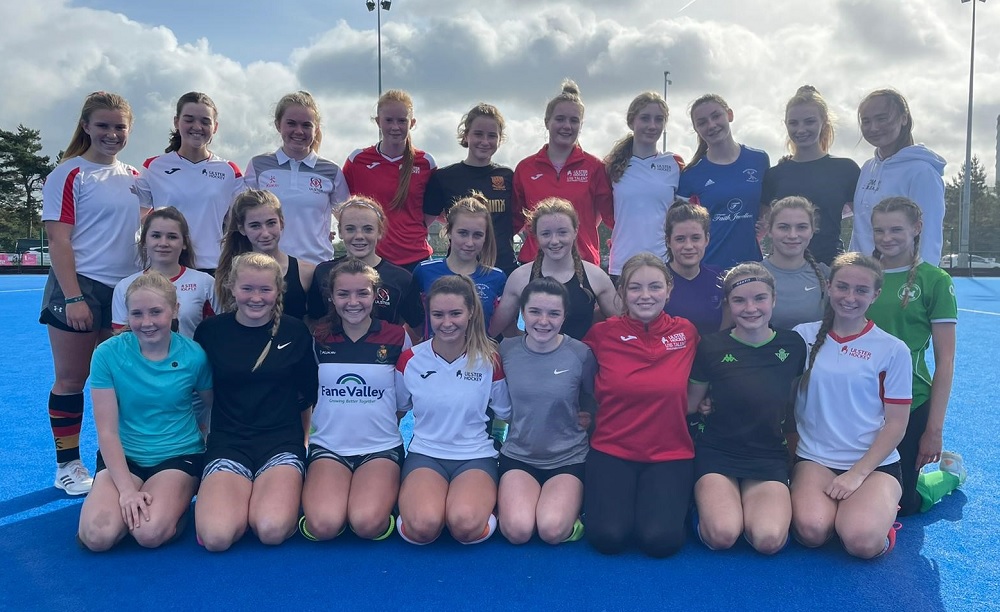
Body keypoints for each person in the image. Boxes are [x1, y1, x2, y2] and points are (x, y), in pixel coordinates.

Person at [39, 91, 142, 495]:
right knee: (72, 379)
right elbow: (58, 240)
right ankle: (67, 464)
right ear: (85, 126)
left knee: (120, 381)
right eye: (103, 125)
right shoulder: (69, 174)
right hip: (79, 286)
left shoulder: (136, 178)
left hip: (124, 291)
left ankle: (112, 461)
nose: (111, 134)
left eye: (119, 127)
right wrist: (74, 296)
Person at [77, 273, 212, 551]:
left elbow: (213, 405)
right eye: (137, 314)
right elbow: (107, 431)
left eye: (156, 312)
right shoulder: (107, 354)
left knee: (148, 533)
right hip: (124, 457)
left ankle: (177, 507)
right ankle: (133, 502)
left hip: (178, 455)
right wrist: (127, 491)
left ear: (175, 310)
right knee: (97, 537)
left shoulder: (194, 355)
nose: (146, 322)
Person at [193, 253, 318, 552]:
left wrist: (302, 443)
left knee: (271, 530)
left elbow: (306, 394)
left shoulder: (295, 331)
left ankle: (268, 497)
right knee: (216, 538)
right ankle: (235, 500)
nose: (256, 297)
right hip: (229, 443)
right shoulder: (210, 332)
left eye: (265, 289)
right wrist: (205, 433)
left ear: (278, 290)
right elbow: (201, 389)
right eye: (247, 288)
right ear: (232, 288)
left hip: (280, 443)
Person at [791, 253, 911, 559]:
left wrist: (856, 475)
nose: (850, 297)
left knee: (861, 542)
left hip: (873, 466)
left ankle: (879, 520)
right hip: (815, 459)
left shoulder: (893, 350)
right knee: (812, 531)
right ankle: (843, 516)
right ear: (829, 287)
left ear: (875, 295)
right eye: (842, 287)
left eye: (861, 290)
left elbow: (896, 424)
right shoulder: (801, 336)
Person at [582, 253, 699, 557]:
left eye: (655, 286)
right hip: (611, 449)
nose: (645, 295)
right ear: (622, 292)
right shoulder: (601, 334)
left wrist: (708, 400)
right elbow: (576, 380)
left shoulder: (687, 333)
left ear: (669, 290)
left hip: (670, 452)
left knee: (661, 541)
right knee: (607, 538)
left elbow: (708, 375)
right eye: (635, 287)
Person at [686, 263, 806, 554]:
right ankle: (697, 509)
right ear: (728, 304)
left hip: (767, 455)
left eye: (759, 298)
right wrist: (704, 404)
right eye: (739, 300)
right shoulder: (710, 346)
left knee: (769, 540)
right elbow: (690, 404)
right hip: (717, 452)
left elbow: (790, 403)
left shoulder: (793, 345)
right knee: (723, 535)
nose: (750, 308)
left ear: (773, 299)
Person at [299, 259, 411, 542]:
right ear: (331, 297)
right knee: (323, 526)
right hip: (329, 447)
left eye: (362, 293)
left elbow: (401, 401)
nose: (353, 302)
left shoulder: (397, 337)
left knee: (366, 524)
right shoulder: (319, 337)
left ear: (375, 295)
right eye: (343, 294)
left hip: (381, 448)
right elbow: (312, 392)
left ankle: (376, 500)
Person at [395, 275, 511, 545]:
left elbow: (507, 413)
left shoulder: (489, 360)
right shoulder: (410, 360)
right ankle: (418, 508)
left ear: (471, 313)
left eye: (455, 313)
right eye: (438, 315)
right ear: (429, 314)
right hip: (426, 455)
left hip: (475, 457)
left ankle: (480, 508)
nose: (447, 323)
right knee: (422, 528)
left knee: (465, 526)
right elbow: (398, 410)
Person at [867, 197, 963, 515]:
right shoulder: (860, 275)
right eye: (879, 230)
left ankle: (949, 476)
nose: (886, 238)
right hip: (858, 402)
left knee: (903, 504)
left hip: (909, 402)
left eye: (896, 229)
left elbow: (945, 361)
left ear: (917, 228)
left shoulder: (934, 280)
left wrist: (934, 430)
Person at [498, 277, 595, 545]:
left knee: (551, 530)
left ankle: (572, 517)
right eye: (535, 311)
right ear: (522, 313)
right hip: (519, 455)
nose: (543, 321)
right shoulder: (506, 351)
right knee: (518, 531)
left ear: (564, 316)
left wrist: (588, 414)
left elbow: (593, 397)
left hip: (568, 457)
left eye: (553, 313)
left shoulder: (580, 354)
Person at [136, 92, 246, 273]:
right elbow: (135, 216)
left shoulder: (229, 170)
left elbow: (240, 221)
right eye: (189, 120)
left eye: (205, 121)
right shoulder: (154, 166)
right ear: (176, 122)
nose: (197, 126)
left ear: (215, 127)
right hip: (164, 267)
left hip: (212, 267)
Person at [513, 79, 614, 267]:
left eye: (574, 120)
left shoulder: (595, 167)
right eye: (560, 119)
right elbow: (513, 222)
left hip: (582, 264)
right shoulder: (525, 169)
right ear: (547, 122)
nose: (567, 126)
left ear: (581, 125)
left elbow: (614, 219)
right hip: (535, 264)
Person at [244, 91, 350, 265]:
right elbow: (242, 217)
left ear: (316, 129)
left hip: (317, 265)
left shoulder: (331, 171)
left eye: (306, 125)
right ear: (278, 125)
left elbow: (347, 220)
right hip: (267, 267)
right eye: (291, 123)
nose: (299, 131)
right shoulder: (258, 166)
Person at [490, 198, 618, 341]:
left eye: (562, 232)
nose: (554, 241)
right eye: (546, 234)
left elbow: (624, 325)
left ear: (575, 232)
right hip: (536, 355)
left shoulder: (596, 277)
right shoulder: (520, 277)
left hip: (583, 354)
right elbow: (493, 331)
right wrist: (521, 344)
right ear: (536, 236)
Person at [761, 86, 860, 266]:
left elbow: (865, 222)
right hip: (784, 270)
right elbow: (761, 227)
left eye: (809, 122)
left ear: (824, 122)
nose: (801, 129)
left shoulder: (846, 169)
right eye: (794, 123)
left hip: (831, 268)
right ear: (785, 124)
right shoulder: (775, 174)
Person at [343, 89, 436, 271]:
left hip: (416, 259)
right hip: (371, 259)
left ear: (412, 123)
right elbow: (342, 204)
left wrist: (411, 229)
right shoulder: (358, 160)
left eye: (402, 121)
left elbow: (432, 209)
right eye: (388, 120)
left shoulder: (426, 162)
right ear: (378, 121)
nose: (395, 127)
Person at [850, 89, 945, 264]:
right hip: (863, 275)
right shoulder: (868, 168)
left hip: (900, 276)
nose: (874, 128)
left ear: (904, 118)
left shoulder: (922, 172)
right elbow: (860, 230)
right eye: (866, 121)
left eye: (882, 119)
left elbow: (929, 237)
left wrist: (920, 277)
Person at [677, 94, 769, 271]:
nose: (711, 125)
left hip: (753, 266)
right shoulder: (690, 174)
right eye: (702, 122)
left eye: (716, 116)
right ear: (696, 129)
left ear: (730, 115)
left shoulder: (759, 159)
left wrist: (766, 221)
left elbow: (767, 203)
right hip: (709, 267)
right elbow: (679, 226)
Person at [423, 103, 517, 276]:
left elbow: (517, 222)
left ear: (500, 139)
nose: (485, 141)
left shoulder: (508, 176)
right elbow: (424, 224)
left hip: (503, 269)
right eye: (478, 134)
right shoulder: (444, 177)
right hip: (459, 272)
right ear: (466, 135)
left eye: (492, 135)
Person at [306, 196, 421, 330]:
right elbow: (313, 320)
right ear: (340, 231)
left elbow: (418, 327)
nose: (359, 236)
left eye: (368, 229)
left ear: (380, 231)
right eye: (350, 229)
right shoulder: (323, 272)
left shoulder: (401, 278)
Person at [604, 92, 685, 279]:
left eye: (659, 119)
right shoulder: (610, 166)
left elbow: (683, 216)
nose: (652, 126)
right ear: (631, 121)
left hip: (664, 263)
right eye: (645, 118)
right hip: (622, 263)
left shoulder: (675, 163)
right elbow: (607, 213)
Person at [407, 194, 506, 338]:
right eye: (463, 233)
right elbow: (414, 324)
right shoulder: (424, 271)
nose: (469, 242)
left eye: (477, 235)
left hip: (479, 352)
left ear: (486, 237)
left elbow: (503, 329)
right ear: (449, 231)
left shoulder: (496, 277)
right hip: (435, 351)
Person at [112, 207, 218, 338]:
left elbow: (219, 332)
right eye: (156, 236)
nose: (163, 243)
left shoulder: (205, 283)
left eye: (172, 237)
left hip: (192, 351)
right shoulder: (124, 286)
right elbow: (121, 339)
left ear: (184, 243)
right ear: (144, 241)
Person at [215, 189, 314, 320]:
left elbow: (314, 322)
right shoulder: (227, 272)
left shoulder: (306, 272)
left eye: (271, 223)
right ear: (242, 229)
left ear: (281, 223)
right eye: (255, 226)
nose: (265, 233)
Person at [761, 196, 830, 329]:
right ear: (769, 230)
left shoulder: (826, 275)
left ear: (812, 231)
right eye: (784, 227)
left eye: (801, 227)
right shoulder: (753, 274)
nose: (792, 235)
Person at [662, 200, 727, 336]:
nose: (688, 246)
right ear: (668, 241)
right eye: (680, 239)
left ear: (706, 239)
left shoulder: (720, 278)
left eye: (695, 238)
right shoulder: (657, 280)